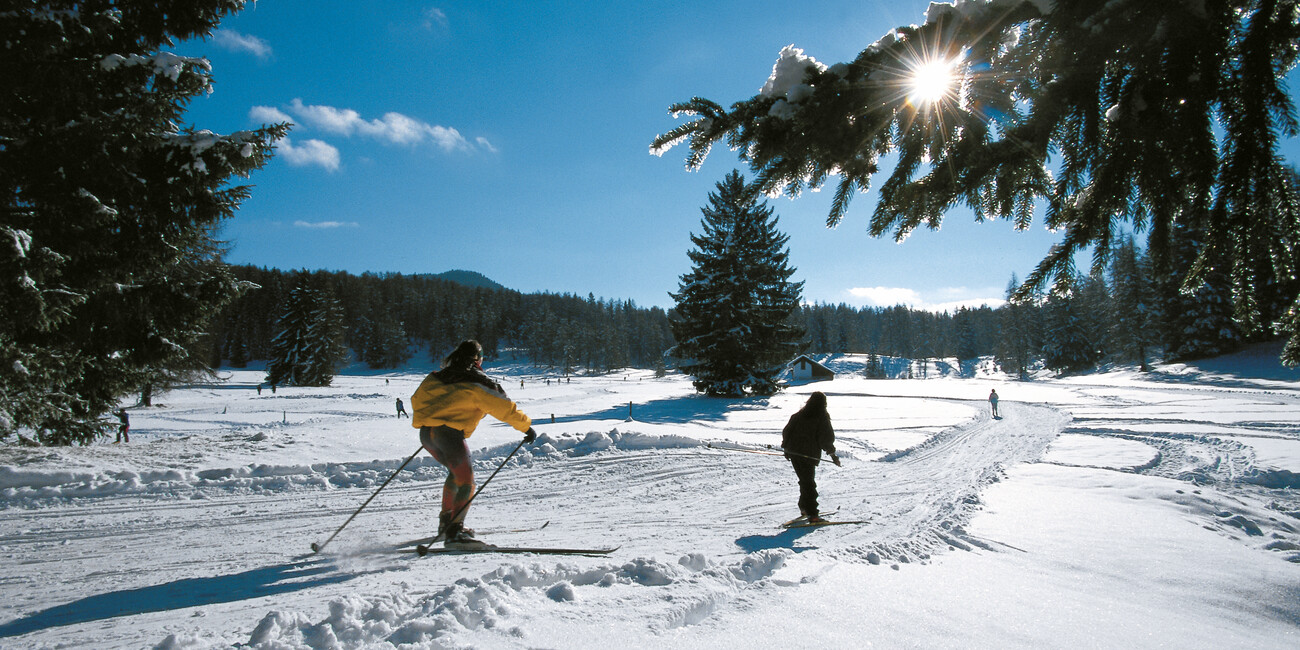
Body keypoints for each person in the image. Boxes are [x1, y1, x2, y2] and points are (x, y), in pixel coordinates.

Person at [410, 340, 537, 544]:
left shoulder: (437, 376)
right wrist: (526, 427)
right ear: (478, 359)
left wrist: (433, 419)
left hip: (427, 435)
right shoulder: (478, 381)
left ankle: (446, 523)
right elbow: (504, 407)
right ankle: (455, 532)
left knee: (456, 475)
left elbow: (417, 399)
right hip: (448, 436)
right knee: (467, 481)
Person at [780, 391, 839, 523]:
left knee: (804, 481)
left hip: (794, 453)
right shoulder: (822, 417)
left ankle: (805, 508)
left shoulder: (799, 415)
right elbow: (826, 439)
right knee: (809, 483)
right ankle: (813, 514)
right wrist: (833, 455)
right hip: (808, 455)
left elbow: (787, 431)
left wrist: (786, 448)